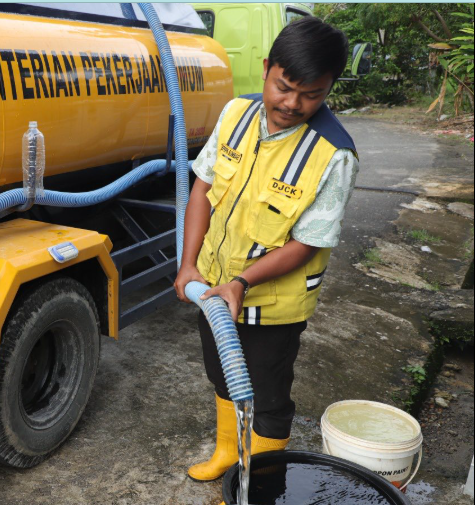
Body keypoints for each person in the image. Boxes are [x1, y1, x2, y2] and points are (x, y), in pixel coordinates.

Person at [173, 16, 358, 481]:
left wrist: (241, 283)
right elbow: (204, 188)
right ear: (266, 68)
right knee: (222, 373)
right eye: (284, 86)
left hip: (274, 304)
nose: (292, 103)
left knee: (269, 396)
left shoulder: (334, 154)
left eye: (311, 94)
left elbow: (306, 243)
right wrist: (189, 264)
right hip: (213, 289)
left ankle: (259, 483)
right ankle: (226, 456)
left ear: (330, 87)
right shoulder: (235, 112)